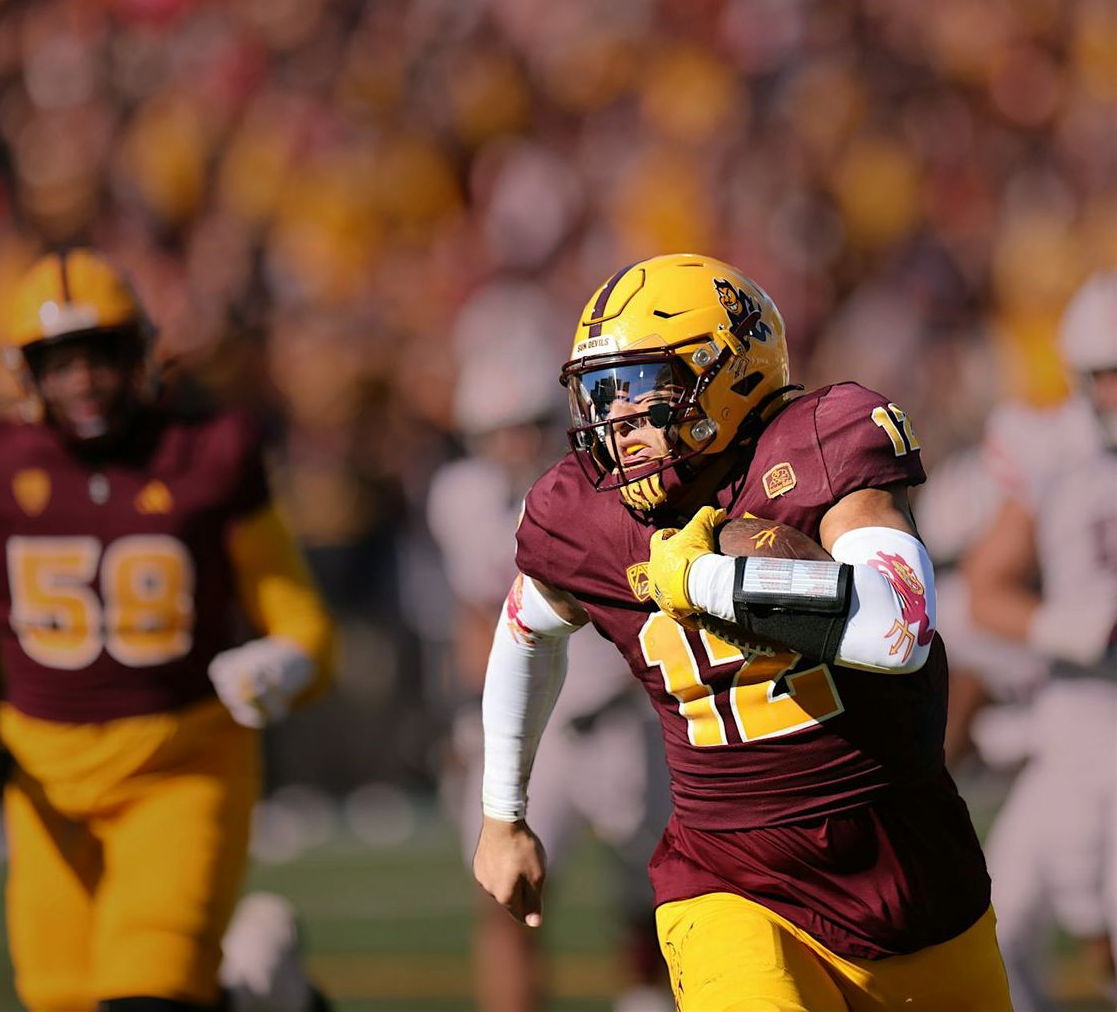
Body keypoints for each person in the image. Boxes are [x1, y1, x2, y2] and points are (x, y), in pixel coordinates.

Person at [473, 253, 1013, 1012]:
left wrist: (700, 582)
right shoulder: (583, 512)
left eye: (638, 391)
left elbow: (900, 627)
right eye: (600, 394)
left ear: (725, 373)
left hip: (908, 871)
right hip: (727, 877)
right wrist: (504, 813)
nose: (616, 422)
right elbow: (526, 628)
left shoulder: (819, 443)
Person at [0, 249, 337, 1012]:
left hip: (180, 762)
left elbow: (304, 621)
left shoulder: (204, 454)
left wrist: (283, 661)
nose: (83, 382)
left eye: (101, 357)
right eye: (61, 363)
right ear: (24, 372)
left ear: (139, 352)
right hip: (45, 782)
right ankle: (258, 993)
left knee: (145, 995)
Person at [427, 326, 672, 1012]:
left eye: (526, 425)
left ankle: (647, 998)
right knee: (509, 898)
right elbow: (477, 613)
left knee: (660, 892)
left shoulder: (609, 483)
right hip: (535, 721)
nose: (513, 443)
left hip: (621, 711)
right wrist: (468, 711)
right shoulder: (463, 497)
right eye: (498, 430)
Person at [964, 271, 1117, 1012]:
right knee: (997, 923)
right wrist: (1067, 626)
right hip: (1075, 712)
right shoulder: (1054, 453)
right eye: (1107, 376)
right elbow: (987, 589)